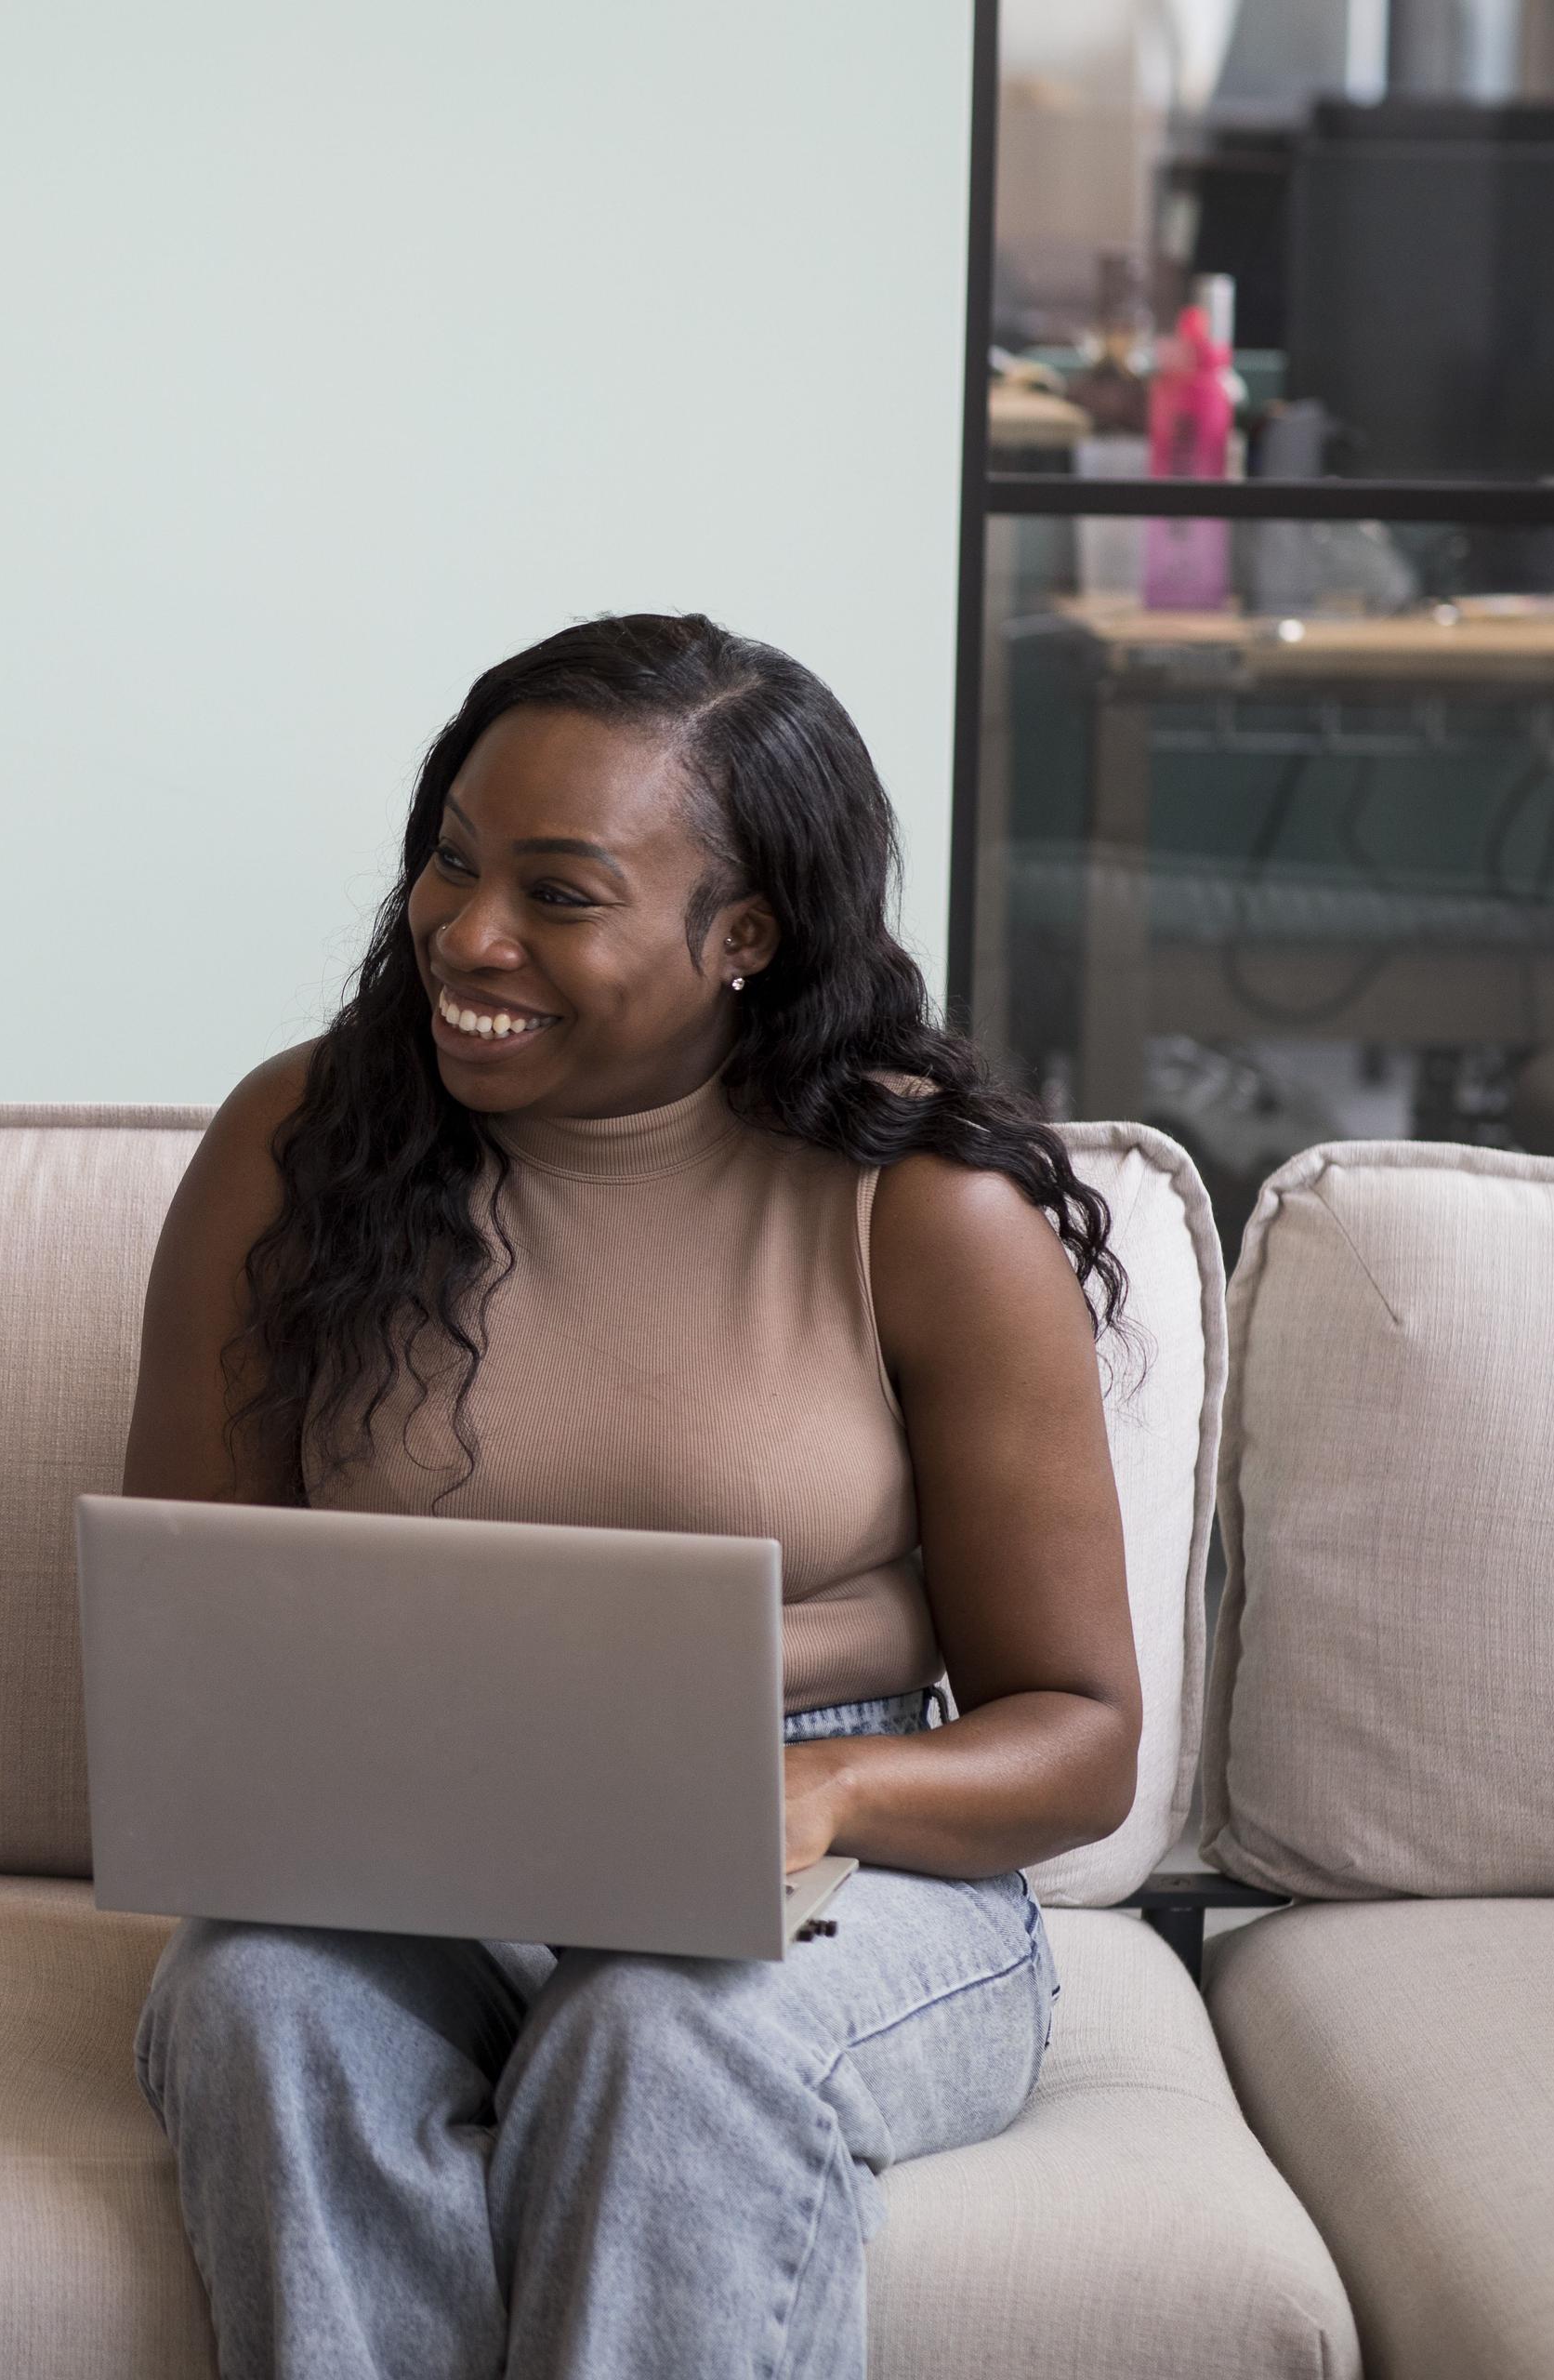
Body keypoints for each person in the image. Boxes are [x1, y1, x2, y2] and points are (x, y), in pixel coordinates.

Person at [121, 614, 1139, 2380]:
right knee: (255, 1998)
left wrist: (821, 1791)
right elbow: (178, 1633)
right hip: (409, 1853)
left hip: (840, 1873)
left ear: (742, 935)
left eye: (561, 892)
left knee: (661, 2031)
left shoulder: (919, 1216)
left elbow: (1085, 1734)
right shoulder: (296, 1148)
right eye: (451, 859)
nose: (468, 933)